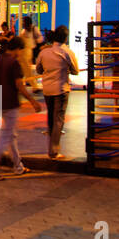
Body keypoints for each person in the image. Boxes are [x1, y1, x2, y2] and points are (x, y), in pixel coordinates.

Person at [0, 36, 43, 179]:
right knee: (5, 137)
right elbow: (19, 85)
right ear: (17, 49)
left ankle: (17, 166)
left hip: (0, 102)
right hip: (11, 103)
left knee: (11, 135)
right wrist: (33, 101)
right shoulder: (14, 63)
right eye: (21, 50)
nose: (21, 53)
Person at [36, 25, 78, 159]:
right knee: (58, 119)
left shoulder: (44, 52)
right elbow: (75, 70)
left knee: (50, 118)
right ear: (66, 38)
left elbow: (38, 70)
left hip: (47, 89)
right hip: (61, 89)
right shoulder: (67, 52)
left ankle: (50, 147)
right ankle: (54, 150)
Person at [19, 15, 42, 93]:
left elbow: (40, 39)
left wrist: (35, 41)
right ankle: (21, 85)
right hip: (24, 52)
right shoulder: (24, 31)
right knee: (22, 70)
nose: (23, 24)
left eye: (24, 22)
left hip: (27, 52)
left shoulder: (33, 29)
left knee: (27, 70)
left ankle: (34, 86)